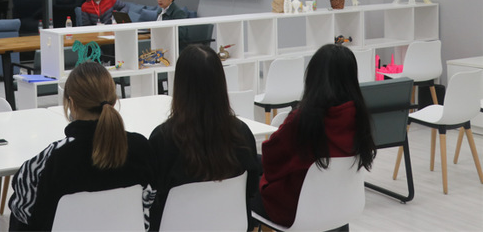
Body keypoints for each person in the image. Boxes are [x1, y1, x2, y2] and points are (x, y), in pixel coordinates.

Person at [8, 62, 155, 231]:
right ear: (114, 100)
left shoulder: (52, 159)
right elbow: (149, 205)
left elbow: (23, 214)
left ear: (72, 103)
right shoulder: (141, 148)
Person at [253, 44, 376, 228]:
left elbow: (271, 158)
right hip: (341, 206)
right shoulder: (360, 118)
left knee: (247, 177)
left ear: (314, 77)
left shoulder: (303, 120)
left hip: (296, 210)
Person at [148, 45, 259, 230]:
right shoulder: (242, 134)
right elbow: (251, 189)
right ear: (221, 84)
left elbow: (151, 199)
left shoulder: (162, 140)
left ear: (180, 86)